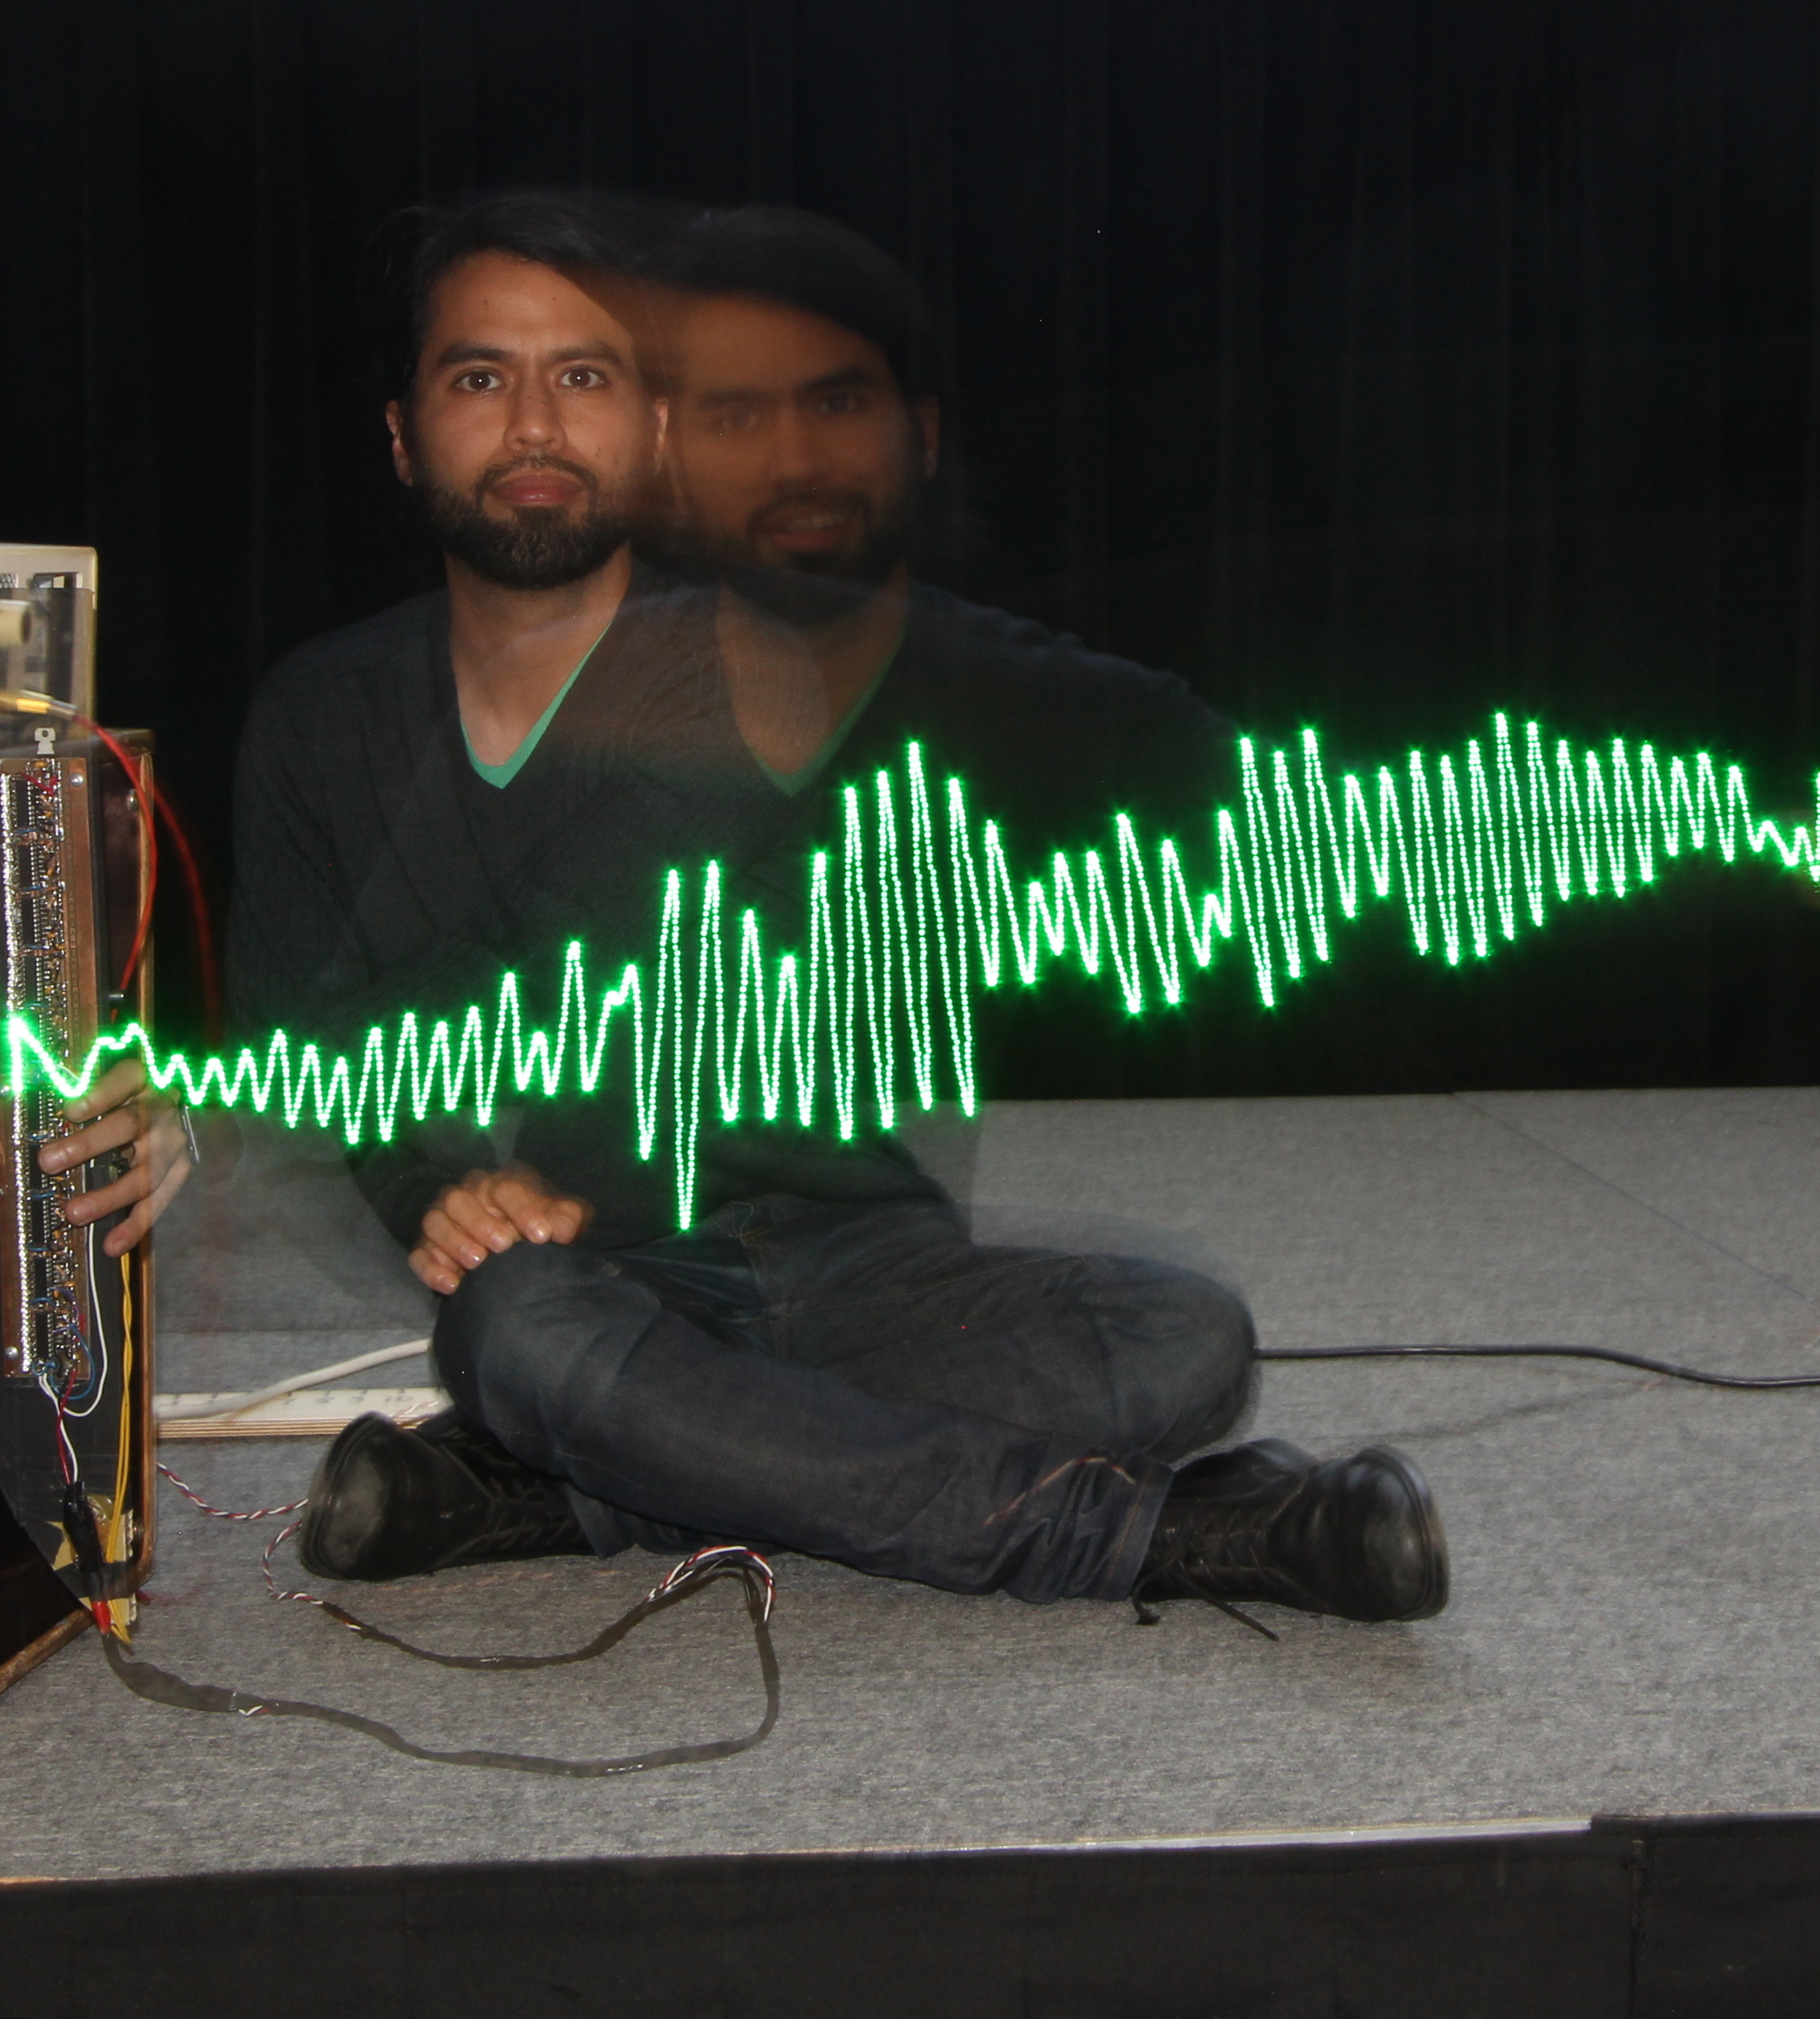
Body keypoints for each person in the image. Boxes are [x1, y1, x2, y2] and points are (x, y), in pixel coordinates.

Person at [231, 193, 1448, 1626]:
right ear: (401, 433)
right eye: (481, 377)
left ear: (655, 430)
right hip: (596, 1278)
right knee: (520, 1331)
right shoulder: (317, 714)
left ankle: (579, 1483)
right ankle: (1158, 1533)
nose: (536, 425)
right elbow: (311, 1046)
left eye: (585, 376)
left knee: (1187, 1336)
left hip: (859, 1255)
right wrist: (431, 1188)